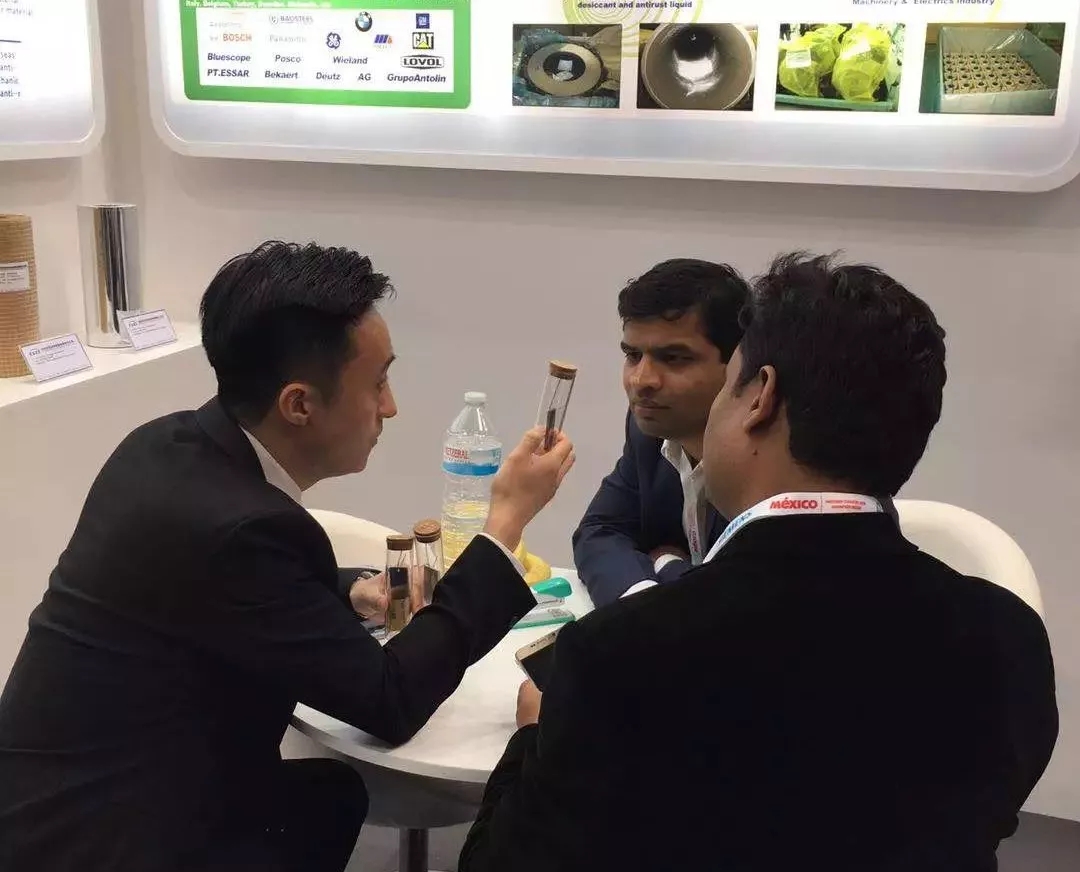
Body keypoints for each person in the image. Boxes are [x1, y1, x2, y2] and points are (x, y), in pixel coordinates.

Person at [459, 253, 1058, 872]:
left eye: (727, 386)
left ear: (759, 398)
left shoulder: (616, 658)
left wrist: (534, 736)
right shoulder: (1009, 639)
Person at [0, 242, 575, 872]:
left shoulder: (161, 446)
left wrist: (350, 591)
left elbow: (223, 589)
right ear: (299, 404)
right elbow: (391, 701)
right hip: (105, 838)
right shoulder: (250, 528)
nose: (390, 406)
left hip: (45, 796)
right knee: (325, 800)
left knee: (328, 795)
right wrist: (505, 523)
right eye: (377, 383)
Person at [572, 259, 748, 606]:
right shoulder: (649, 434)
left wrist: (666, 563)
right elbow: (599, 532)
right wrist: (642, 600)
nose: (642, 380)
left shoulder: (773, 458)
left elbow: (737, 600)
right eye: (633, 355)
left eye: (673, 358)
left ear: (737, 365)